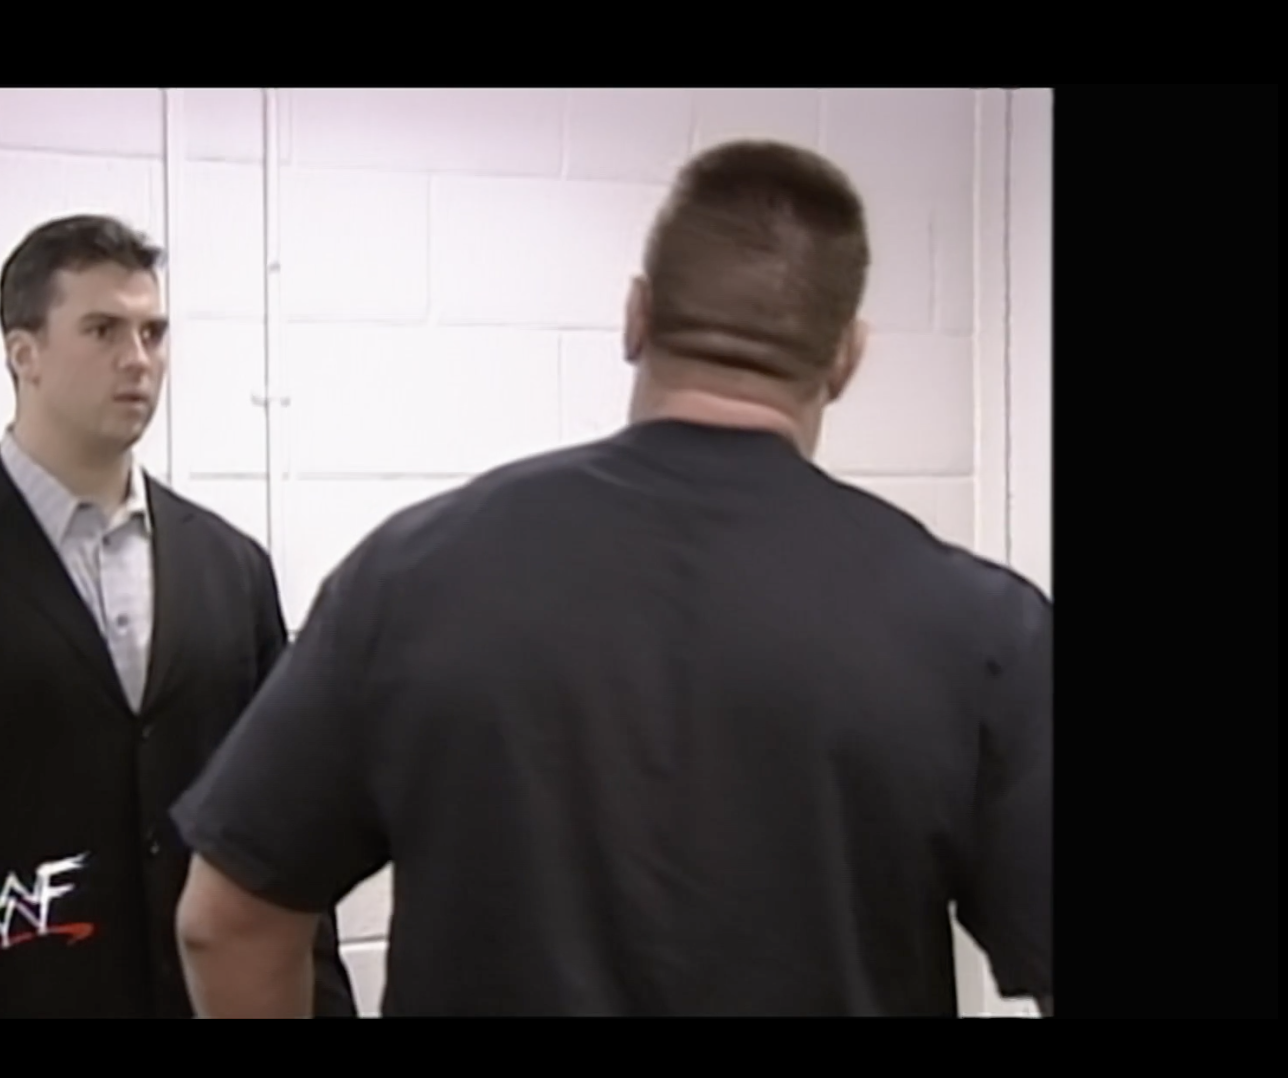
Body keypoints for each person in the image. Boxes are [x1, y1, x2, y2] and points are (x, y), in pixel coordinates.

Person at [168, 142, 1052, 1018]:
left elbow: (226, 923)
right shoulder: (980, 633)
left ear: (637, 317)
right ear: (847, 358)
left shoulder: (413, 574)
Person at [0, 214, 357, 1018]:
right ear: (24, 353)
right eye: (103, 330)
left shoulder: (230, 569)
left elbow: (281, 836)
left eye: (154, 332)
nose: (138, 360)